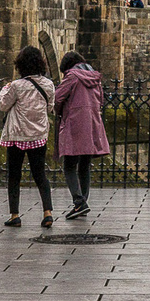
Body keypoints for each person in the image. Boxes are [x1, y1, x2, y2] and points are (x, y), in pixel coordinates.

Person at [0, 46, 55, 228]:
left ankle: (15, 215)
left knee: (14, 175)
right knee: (40, 175)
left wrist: (4, 89)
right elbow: (50, 108)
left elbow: (3, 106)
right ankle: (47, 213)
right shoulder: (48, 85)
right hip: (38, 135)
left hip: (18, 136)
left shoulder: (16, 86)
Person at [54, 51, 109, 220]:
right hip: (92, 124)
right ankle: (83, 201)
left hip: (75, 125)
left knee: (69, 165)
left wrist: (61, 110)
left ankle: (79, 202)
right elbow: (101, 101)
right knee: (84, 166)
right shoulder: (94, 77)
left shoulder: (72, 77)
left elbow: (56, 99)